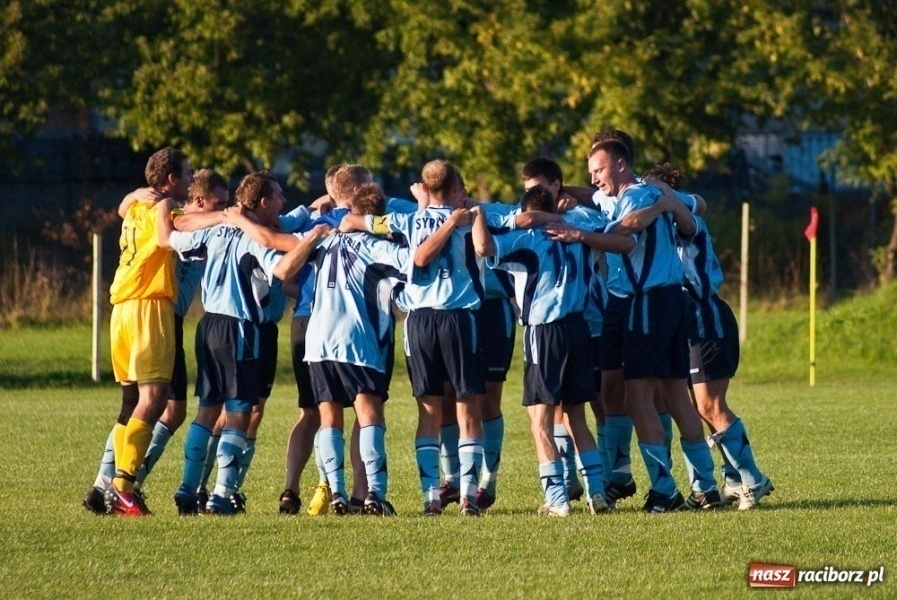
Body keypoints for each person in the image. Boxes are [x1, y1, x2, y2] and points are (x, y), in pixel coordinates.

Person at [472, 185, 634, 515]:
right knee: (576, 415)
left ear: (527, 211)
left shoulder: (529, 238)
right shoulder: (578, 232)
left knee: (540, 419)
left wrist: (478, 216)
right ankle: (597, 493)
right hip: (578, 328)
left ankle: (557, 499)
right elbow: (620, 237)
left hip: (544, 333)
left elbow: (484, 246)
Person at [340, 159, 485, 516]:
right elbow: (484, 247)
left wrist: (416, 209)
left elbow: (351, 221)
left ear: (425, 186)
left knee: (429, 411)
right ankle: (468, 496)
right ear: (454, 189)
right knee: (467, 408)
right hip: (458, 317)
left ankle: (431, 497)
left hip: (418, 323)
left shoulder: (404, 220)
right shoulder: (468, 219)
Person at [585, 137, 720, 513]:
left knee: (638, 397)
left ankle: (664, 490)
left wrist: (581, 234)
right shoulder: (639, 193)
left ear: (621, 164)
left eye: (599, 170)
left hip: (646, 301)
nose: (594, 179)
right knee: (675, 394)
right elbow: (695, 205)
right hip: (669, 301)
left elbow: (627, 228)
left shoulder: (637, 195)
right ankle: (706, 487)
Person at [643, 163, 774, 510]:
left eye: (652, 192)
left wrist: (664, 198)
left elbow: (695, 207)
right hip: (678, 319)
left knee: (709, 405)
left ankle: (754, 478)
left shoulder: (684, 220)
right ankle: (725, 482)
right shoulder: (661, 222)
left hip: (705, 316)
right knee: (679, 404)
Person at [274, 182, 408, 515]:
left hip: (318, 342)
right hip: (356, 339)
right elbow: (415, 262)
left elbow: (281, 271)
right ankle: (374, 495)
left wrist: (310, 237)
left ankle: (337, 493)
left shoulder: (326, 240)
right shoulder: (376, 248)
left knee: (329, 414)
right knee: (368, 412)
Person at [166, 170, 287, 515]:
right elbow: (281, 268)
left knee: (206, 411)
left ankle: (188, 488)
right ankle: (221, 495)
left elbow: (172, 239)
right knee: (239, 413)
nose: (284, 202)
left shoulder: (216, 228)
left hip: (208, 326)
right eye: (279, 196)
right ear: (263, 203)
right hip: (240, 329)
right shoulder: (256, 238)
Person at [101, 147, 192, 516]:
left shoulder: (136, 206)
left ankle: (115, 487)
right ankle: (123, 488)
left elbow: (122, 207)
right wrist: (227, 216)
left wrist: (135, 193)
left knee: (130, 403)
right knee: (154, 400)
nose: (190, 179)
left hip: (120, 309)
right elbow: (183, 228)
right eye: (187, 173)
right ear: (171, 179)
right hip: (149, 306)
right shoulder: (166, 209)